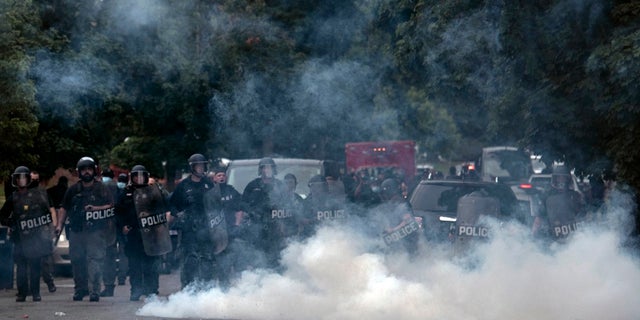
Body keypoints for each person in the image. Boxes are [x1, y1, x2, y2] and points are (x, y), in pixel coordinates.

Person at [55, 157, 116, 302]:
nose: (87, 172)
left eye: (89, 169)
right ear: (79, 172)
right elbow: (64, 207)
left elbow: (111, 206)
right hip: (76, 231)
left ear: (94, 170)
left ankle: (94, 291)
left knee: (95, 261)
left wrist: (96, 208)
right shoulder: (73, 190)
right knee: (77, 261)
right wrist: (59, 225)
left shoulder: (102, 188)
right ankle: (80, 290)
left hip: (96, 231)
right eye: (84, 169)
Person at [116, 165, 172, 300]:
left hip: (151, 234)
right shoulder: (126, 193)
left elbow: (166, 203)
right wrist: (122, 226)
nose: (139, 178)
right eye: (136, 176)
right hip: (133, 234)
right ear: (132, 177)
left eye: (142, 176)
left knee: (151, 264)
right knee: (134, 265)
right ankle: (136, 290)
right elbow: (118, 212)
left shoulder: (153, 191)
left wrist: (158, 187)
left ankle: (151, 290)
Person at [0, 166, 56, 302]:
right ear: (15, 180)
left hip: (35, 237)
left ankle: (35, 293)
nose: (22, 181)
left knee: (35, 266)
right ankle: (22, 293)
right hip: (19, 238)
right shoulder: (13, 198)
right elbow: (2, 216)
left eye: (24, 178)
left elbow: (47, 212)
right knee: (21, 267)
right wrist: (11, 223)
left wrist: (48, 228)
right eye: (19, 178)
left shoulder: (39, 196)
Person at [169, 153, 218, 289]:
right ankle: (188, 289)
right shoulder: (183, 186)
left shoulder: (209, 184)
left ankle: (207, 289)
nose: (201, 168)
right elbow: (172, 204)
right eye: (198, 166)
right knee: (190, 260)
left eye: (203, 166)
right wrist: (178, 214)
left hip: (207, 228)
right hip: (189, 229)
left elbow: (217, 205)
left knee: (207, 260)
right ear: (192, 167)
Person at [242, 157, 289, 270]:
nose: (267, 170)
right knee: (258, 257)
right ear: (260, 170)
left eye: (270, 167)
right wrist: (251, 212)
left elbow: (287, 204)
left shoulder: (280, 186)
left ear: (274, 169)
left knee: (276, 257)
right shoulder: (252, 186)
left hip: (275, 227)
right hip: (256, 228)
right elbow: (243, 203)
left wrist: (282, 223)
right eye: (265, 168)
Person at [207, 166, 247, 288]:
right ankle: (223, 288)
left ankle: (239, 287)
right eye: (219, 175)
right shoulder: (209, 194)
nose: (222, 177)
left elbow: (239, 208)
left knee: (236, 260)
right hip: (217, 233)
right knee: (220, 262)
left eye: (223, 175)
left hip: (231, 231)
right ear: (214, 178)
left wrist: (237, 224)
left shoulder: (231, 191)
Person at [532, 165, 585, 240]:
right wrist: (534, 231)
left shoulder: (575, 195)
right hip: (554, 233)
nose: (561, 180)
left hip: (572, 232)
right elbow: (540, 216)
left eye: (563, 177)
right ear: (555, 179)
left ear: (568, 179)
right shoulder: (547, 195)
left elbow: (582, 215)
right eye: (559, 177)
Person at [371, 178, 420, 255]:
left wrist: (393, 230)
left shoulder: (401, 203)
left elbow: (408, 221)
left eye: (384, 193)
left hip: (407, 244)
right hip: (403, 243)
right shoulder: (394, 203)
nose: (383, 196)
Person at [299, 174, 347, 239]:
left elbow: (341, 220)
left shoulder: (333, 202)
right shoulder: (305, 203)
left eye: (318, 186)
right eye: (312, 186)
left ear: (324, 187)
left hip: (331, 237)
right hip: (310, 238)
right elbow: (300, 219)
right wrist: (308, 221)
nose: (314, 189)